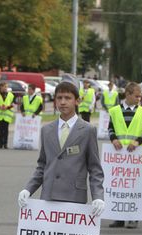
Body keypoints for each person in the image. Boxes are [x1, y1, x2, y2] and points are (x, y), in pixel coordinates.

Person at [17, 75, 105, 218]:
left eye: (67, 98)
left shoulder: (88, 130)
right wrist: (28, 189)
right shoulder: (47, 130)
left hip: (74, 197)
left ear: (77, 101)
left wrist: (98, 196)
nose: (63, 102)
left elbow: (95, 168)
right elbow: (42, 165)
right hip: (48, 196)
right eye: (59, 98)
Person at [107, 82, 142, 229]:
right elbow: (110, 129)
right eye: (137, 96)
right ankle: (119, 218)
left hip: (136, 155)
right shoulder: (114, 111)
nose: (139, 99)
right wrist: (113, 139)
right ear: (128, 94)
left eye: (141, 96)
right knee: (120, 187)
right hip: (119, 157)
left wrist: (137, 142)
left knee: (135, 187)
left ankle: (134, 217)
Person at [0, 82, 15, 149]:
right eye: (4, 87)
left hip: (7, 115)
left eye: (6, 87)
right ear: (0, 87)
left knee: (6, 130)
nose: (5, 88)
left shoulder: (11, 95)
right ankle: (0, 144)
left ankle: (5, 144)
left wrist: (7, 107)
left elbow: (13, 104)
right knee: (0, 129)